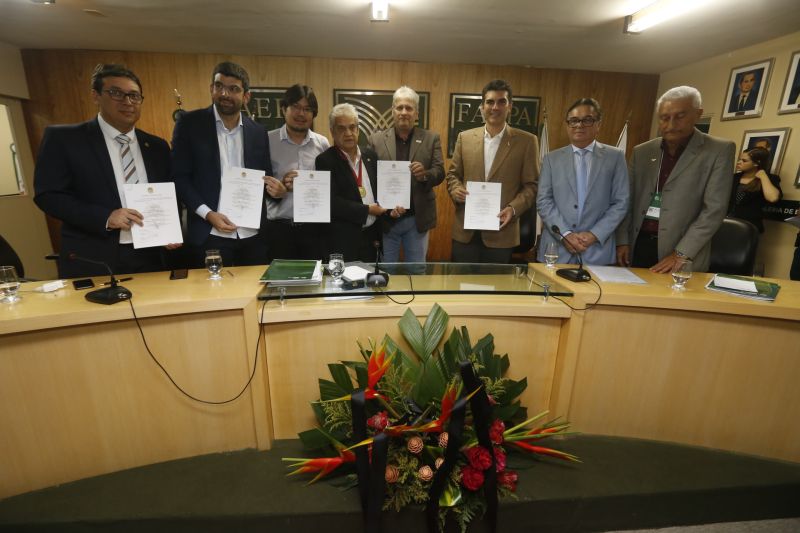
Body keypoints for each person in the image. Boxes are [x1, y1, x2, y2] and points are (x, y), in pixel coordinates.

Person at [34, 63, 172, 278]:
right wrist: (105, 217)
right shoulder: (64, 139)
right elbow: (48, 195)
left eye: (134, 96)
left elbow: (169, 193)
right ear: (96, 96)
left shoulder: (157, 146)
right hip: (94, 257)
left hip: (152, 255)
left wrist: (171, 229)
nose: (127, 102)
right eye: (116, 93)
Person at [616, 86, 735, 273]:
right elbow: (626, 200)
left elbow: (714, 210)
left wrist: (681, 253)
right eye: (664, 117)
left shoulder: (718, 151)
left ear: (698, 114)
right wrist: (622, 241)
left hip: (682, 253)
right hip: (636, 246)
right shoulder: (642, 151)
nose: (670, 124)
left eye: (680, 116)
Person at [172, 61, 274, 268]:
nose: (225, 94)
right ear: (212, 89)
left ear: (246, 96)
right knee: (213, 297)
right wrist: (208, 214)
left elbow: (266, 177)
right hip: (209, 233)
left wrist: (277, 189)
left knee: (254, 295)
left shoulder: (258, 132)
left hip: (252, 235)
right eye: (219, 86)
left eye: (233, 89)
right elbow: (179, 177)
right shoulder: (189, 124)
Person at [446, 79, 539, 263]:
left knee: (494, 289)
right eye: (490, 102)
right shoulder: (465, 138)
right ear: (482, 106)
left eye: (501, 101)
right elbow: (453, 175)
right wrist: (455, 189)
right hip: (466, 232)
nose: (495, 107)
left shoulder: (527, 142)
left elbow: (532, 185)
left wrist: (513, 209)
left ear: (509, 106)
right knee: (460, 287)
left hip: (501, 233)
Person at [536, 98, 629, 265]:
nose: (579, 125)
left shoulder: (615, 157)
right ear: (567, 125)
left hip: (596, 250)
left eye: (587, 120)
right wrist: (565, 234)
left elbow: (621, 202)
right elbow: (543, 201)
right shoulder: (551, 159)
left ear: (598, 124)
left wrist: (594, 234)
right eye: (574, 121)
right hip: (556, 249)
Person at [366, 86, 445, 263]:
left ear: (416, 113)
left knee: (416, 271)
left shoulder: (431, 138)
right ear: (392, 111)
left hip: (417, 219)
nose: (404, 112)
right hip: (387, 219)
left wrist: (424, 175)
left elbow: (440, 171)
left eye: (409, 108)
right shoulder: (376, 140)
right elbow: (369, 177)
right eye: (399, 107)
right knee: (387, 271)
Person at [315, 103, 389, 262]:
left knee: (370, 283)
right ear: (332, 132)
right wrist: (367, 210)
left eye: (352, 127)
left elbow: (380, 192)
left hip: (371, 238)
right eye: (341, 128)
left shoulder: (370, 156)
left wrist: (390, 208)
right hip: (343, 241)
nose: (348, 133)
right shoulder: (325, 161)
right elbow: (332, 202)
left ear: (358, 129)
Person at [265, 84, 330, 261]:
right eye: (295, 107)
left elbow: (328, 186)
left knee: (315, 284)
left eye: (307, 109)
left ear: (313, 114)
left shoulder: (322, 144)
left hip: (313, 230)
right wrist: (279, 186)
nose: (301, 114)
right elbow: (256, 182)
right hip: (278, 230)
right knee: (280, 285)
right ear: (284, 109)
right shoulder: (267, 141)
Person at [728, 147, 782, 233]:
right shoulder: (733, 177)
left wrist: (763, 176)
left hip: (749, 228)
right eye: (740, 159)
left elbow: (773, 198)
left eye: (744, 161)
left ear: (757, 163)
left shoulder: (770, 179)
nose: (739, 162)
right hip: (727, 223)